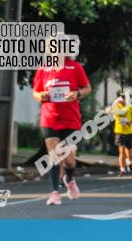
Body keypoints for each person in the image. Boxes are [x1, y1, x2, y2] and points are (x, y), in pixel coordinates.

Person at [31, 55, 91, 205]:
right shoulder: (44, 68)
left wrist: (76, 94)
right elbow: (36, 92)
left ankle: (69, 179)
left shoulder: (75, 67)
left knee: (69, 161)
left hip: (71, 119)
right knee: (55, 156)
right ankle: (55, 192)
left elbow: (87, 88)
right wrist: (41, 95)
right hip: (49, 118)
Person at [112, 89, 132, 176]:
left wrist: (130, 122)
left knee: (129, 151)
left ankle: (129, 163)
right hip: (119, 131)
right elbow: (115, 115)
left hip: (129, 131)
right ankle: (122, 169)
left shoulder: (130, 107)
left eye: (124, 98)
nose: (122, 99)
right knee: (121, 151)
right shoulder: (116, 107)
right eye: (121, 97)